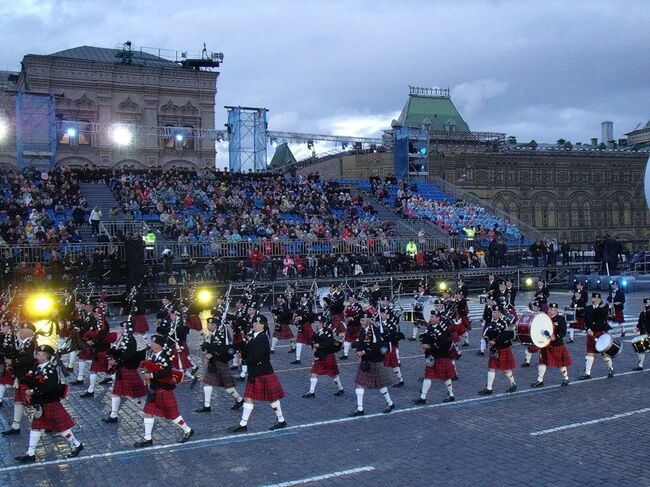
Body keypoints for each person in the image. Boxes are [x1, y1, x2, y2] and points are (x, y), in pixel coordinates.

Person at [14, 344, 84, 462]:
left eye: (41, 355)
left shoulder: (50, 370)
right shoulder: (38, 367)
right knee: (36, 427)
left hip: (50, 403)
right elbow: (32, 379)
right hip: (41, 403)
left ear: (46, 357)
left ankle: (76, 444)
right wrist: (21, 379)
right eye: (38, 354)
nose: (38, 356)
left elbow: (48, 387)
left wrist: (32, 391)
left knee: (61, 429)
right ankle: (30, 453)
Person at [229, 315, 287, 433]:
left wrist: (244, 360)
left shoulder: (263, 338)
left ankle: (281, 420)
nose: (254, 324)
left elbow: (256, 356)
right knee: (249, 398)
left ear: (263, 325)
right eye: (254, 322)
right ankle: (243, 424)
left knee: (272, 398)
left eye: (257, 323)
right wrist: (240, 347)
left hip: (263, 372)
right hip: (254, 372)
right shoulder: (253, 336)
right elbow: (247, 350)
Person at [134, 334, 194, 447]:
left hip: (163, 390)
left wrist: (150, 375)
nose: (151, 344)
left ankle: (187, 430)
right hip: (154, 390)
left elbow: (166, 372)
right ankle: (147, 438)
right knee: (148, 412)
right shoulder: (153, 355)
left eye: (153, 343)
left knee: (173, 415)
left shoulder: (166, 357)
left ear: (159, 346)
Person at [349, 312, 395, 416]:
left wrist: (363, 352)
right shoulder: (363, 330)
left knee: (381, 385)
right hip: (366, 360)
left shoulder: (374, 330)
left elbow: (376, 346)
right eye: (361, 320)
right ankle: (360, 408)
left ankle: (390, 403)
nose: (361, 322)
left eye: (364, 320)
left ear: (369, 320)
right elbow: (361, 343)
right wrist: (355, 348)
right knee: (359, 383)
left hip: (374, 360)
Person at [195, 317, 244, 413]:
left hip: (221, 362)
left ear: (214, 325)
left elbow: (223, 350)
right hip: (214, 362)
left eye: (209, 325)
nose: (207, 326)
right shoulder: (213, 334)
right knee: (208, 383)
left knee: (228, 387)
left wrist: (211, 353)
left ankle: (239, 399)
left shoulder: (219, 335)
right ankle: (207, 405)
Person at [103, 321, 148, 423]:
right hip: (122, 369)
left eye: (124, 328)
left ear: (128, 330)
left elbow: (129, 356)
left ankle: (149, 412)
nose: (122, 330)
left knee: (140, 395)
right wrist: (111, 355)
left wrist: (117, 361)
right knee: (116, 392)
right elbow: (120, 351)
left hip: (128, 369)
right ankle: (113, 415)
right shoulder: (124, 339)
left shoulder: (131, 340)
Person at [413, 311, 457, 404]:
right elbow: (426, 339)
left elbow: (443, 343)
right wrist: (423, 347)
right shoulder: (430, 327)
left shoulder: (443, 330)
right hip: (431, 356)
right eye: (431, 316)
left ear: (438, 318)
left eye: (433, 317)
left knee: (446, 377)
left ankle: (451, 395)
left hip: (441, 356)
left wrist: (429, 346)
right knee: (427, 376)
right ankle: (423, 397)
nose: (431, 318)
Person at [2, 323, 37, 436]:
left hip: (29, 376)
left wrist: (13, 362)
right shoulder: (19, 342)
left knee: (36, 402)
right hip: (20, 375)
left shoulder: (32, 343)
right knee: (18, 401)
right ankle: (15, 426)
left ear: (30, 332)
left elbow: (29, 359)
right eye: (22, 329)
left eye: (24, 329)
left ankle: (49, 423)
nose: (21, 331)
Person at [302, 314, 344, 398]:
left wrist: (320, 345)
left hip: (327, 355)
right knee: (314, 372)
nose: (315, 324)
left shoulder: (329, 331)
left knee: (333, 374)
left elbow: (331, 342)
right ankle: (311, 391)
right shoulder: (316, 332)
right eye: (316, 322)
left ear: (321, 323)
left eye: (317, 322)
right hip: (319, 355)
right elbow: (312, 341)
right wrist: (313, 346)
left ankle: (340, 388)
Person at [479, 306, 517, 395]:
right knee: (491, 368)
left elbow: (506, 335)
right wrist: (488, 340)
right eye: (493, 312)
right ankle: (489, 388)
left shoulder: (504, 322)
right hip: (495, 349)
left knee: (505, 369)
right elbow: (489, 332)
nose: (494, 314)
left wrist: (495, 341)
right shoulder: (493, 321)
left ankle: (513, 383)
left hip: (503, 348)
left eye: (496, 312)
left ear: (500, 313)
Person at [531, 303, 572, 387]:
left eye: (551, 309)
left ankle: (566, 378)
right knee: (542, 362)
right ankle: (540, 381)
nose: (549, 311)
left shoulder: (560, 319)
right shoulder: (545, 318)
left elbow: (563, 332)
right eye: (549, 309)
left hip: (556, 344)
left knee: (560, 364)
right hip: (545, 344)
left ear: (556, 310)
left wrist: (556, 336)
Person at [579, 293, 613, 380]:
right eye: (594, 298)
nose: (596, 299)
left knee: (605, 354)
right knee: (590, 353)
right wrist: (588, 329)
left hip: (601, 333)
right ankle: (587, 373)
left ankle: (610, 369)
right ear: (592, 298)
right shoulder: (589, 308)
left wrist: (600, 306)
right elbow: (585, 321)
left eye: (598, 298)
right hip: (591, 333)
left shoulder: (603, 307)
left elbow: (604, 315)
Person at [633, 298, 650, 371]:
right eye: (646, 303)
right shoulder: (642, 313)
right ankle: (640, 365)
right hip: (643, 333)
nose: (647, 304)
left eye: (648, 303)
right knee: (640, 349)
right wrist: (637, 328)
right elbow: (640, 323)